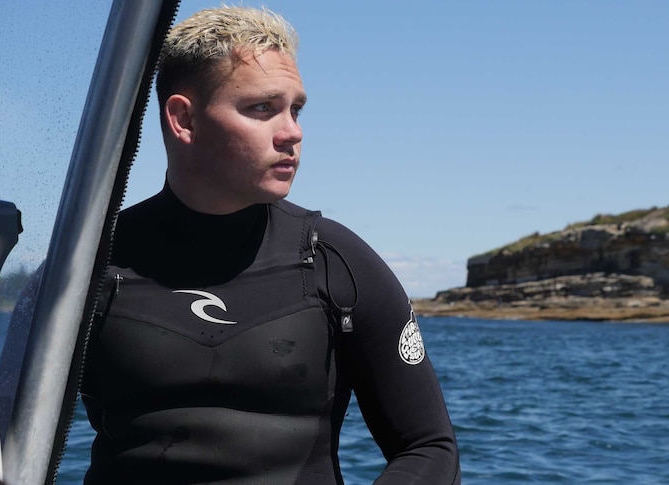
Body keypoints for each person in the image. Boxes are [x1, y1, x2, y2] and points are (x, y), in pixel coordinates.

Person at [79, 5, 460, 485]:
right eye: (262, 108)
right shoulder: (89, 270)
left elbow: (429, 449)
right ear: (184, 119)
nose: (292, 133)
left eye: (295, 109)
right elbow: (0, 451)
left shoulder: (335, 262)